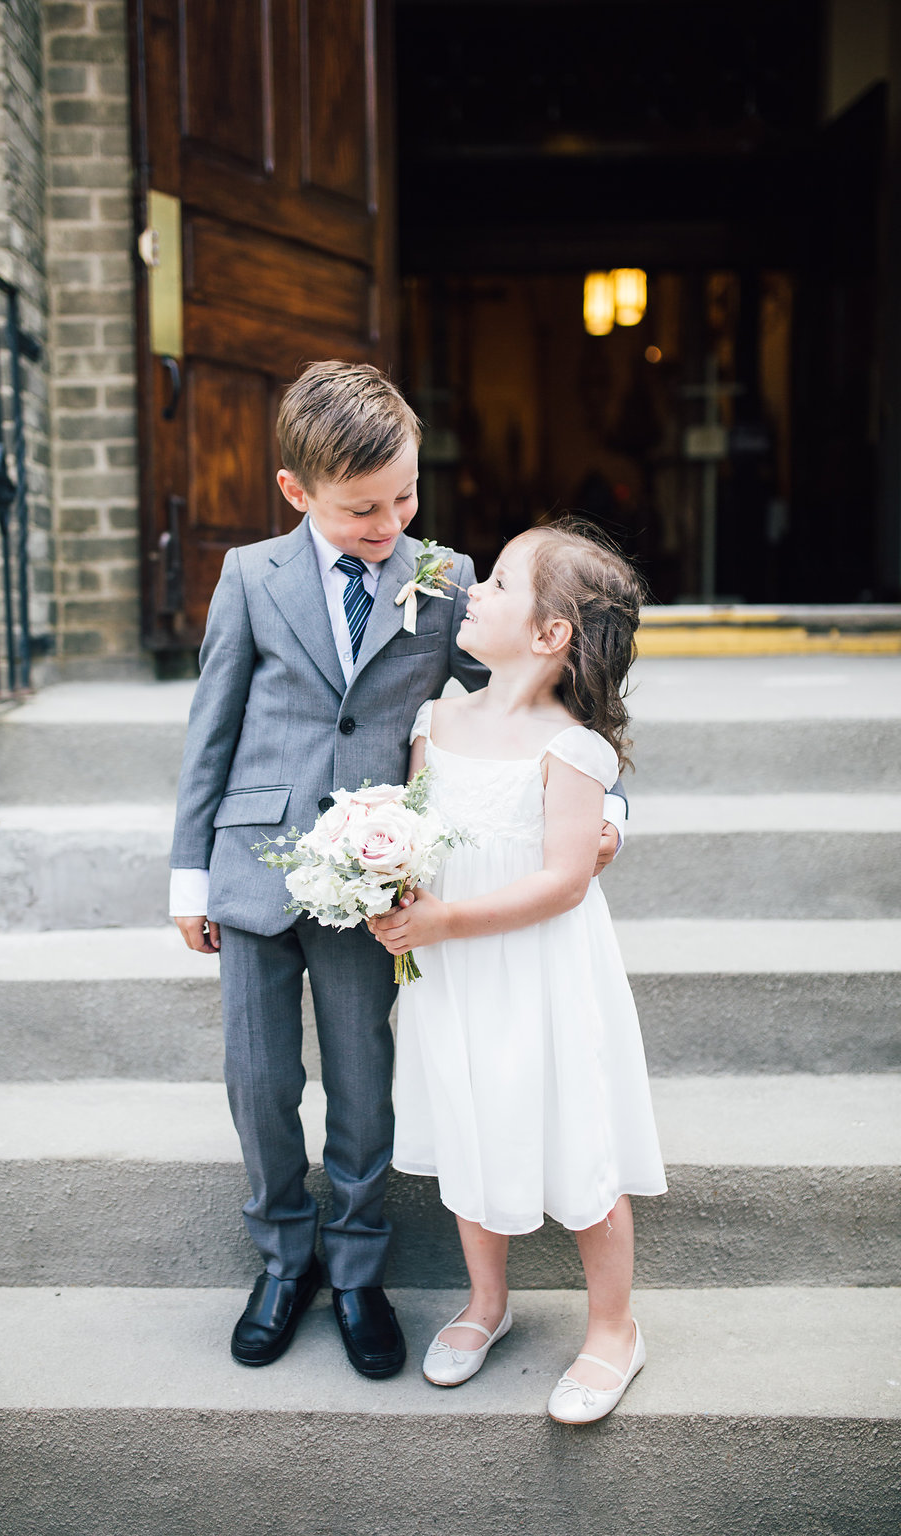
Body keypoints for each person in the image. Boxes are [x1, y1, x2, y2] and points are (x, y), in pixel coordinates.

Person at [169, 362, 628, 1380]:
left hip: (373, 886)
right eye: (362, 508)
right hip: (251, 868)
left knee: (364, 1084)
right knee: (258, 1079)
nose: (390, 522)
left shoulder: (446, 577)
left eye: (405, 497)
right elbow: (212, 730)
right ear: (296, 493)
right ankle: (283, 1259)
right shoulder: (249, 575)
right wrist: (187, 876)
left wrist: (604, 810)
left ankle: (359, 1268)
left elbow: (534, 700)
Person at [371, 521, 666, 1421]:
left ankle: (614, 1328)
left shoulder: (572, 748)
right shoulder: (439, 719)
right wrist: (386, 876)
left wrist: (448, 916)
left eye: (498, 584)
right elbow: (418, 828)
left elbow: (565, 880)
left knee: (577, 1134)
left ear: (550, 636)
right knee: (469, 1120)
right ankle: (486, 1303)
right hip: (455, 975)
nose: (473, 592)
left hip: (540, 975)